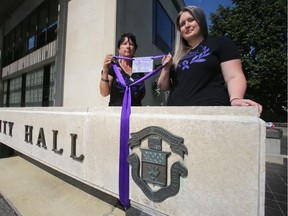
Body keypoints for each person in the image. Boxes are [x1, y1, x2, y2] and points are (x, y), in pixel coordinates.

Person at [157, 6, 262, 115]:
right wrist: (166, 68)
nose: (187, 25)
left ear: (200, 20)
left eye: (191, 20)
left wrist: (235, 99)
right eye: (182, 24)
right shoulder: (176, 56)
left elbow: (233, 76)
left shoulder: (219, 43)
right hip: (176, 114)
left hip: (210, 112)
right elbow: (163, 87)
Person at [99, 33, 145, 106]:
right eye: (124, 43)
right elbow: (104, 93)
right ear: (119, 49)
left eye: (131, 44)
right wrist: (105, 70)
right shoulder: (113, 68)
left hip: (136, 113)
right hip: (116, 113)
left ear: (135, 49)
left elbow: (142, 94)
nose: (128, 46)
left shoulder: (139, 70)